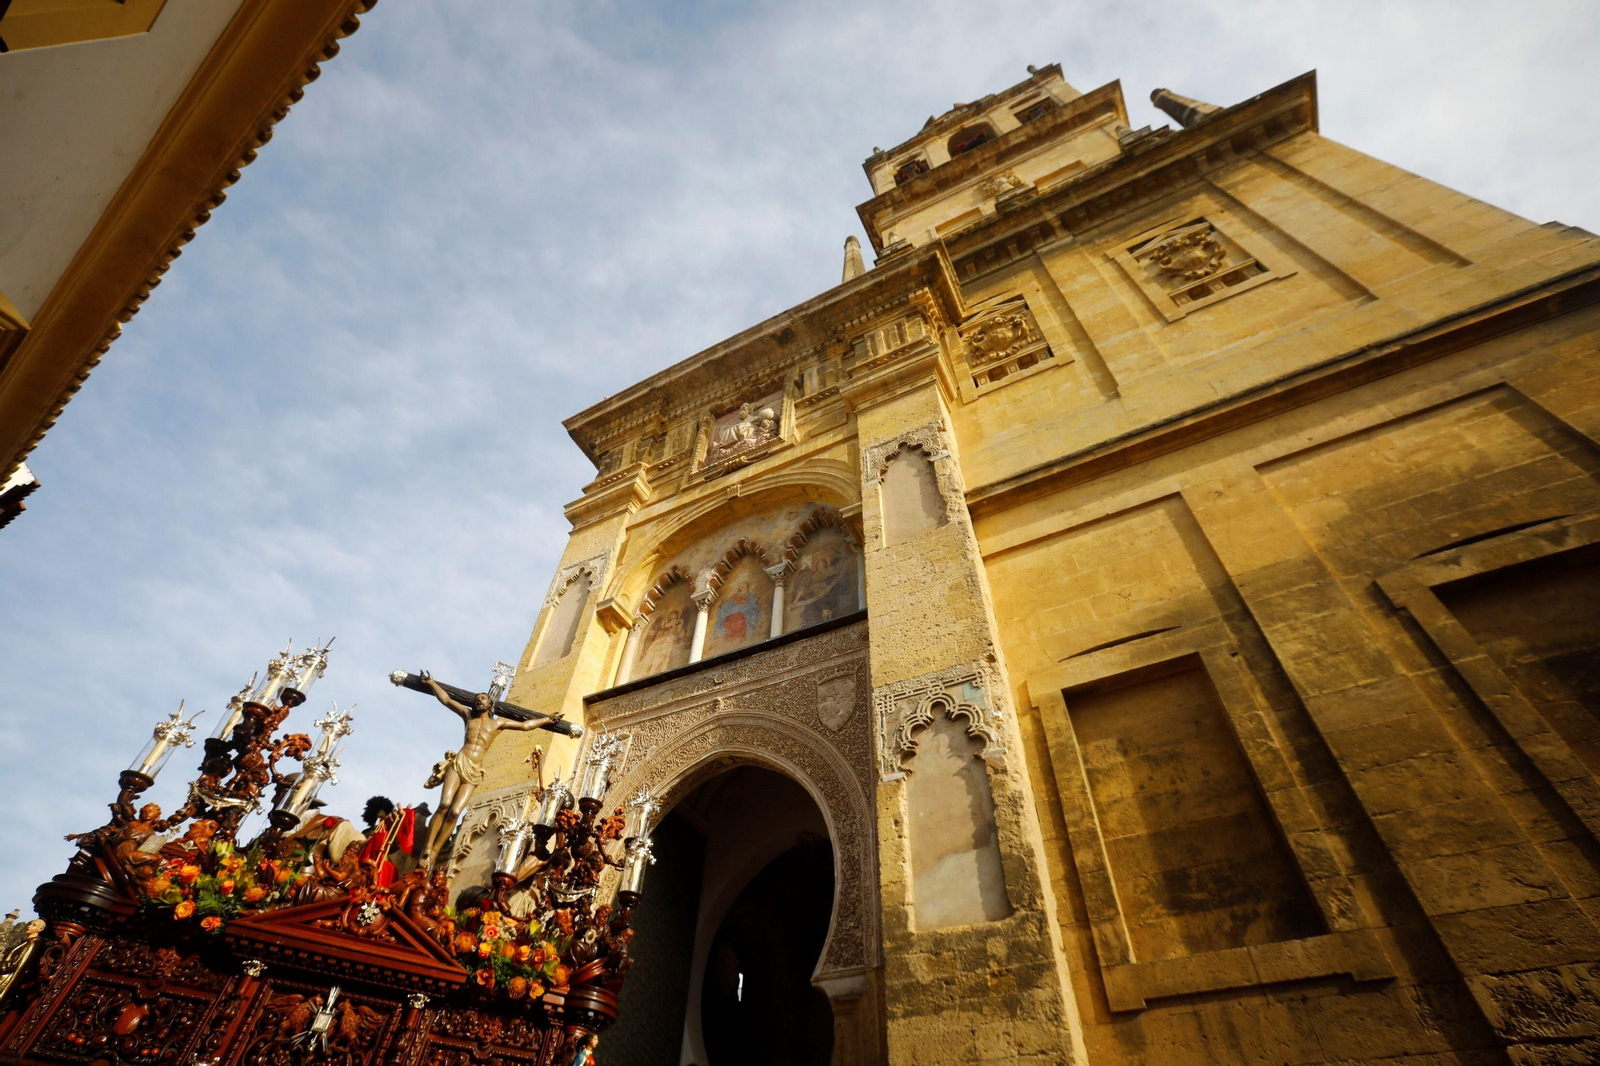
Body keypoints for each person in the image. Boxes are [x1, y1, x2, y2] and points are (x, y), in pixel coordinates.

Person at [419, 674, 553, 866]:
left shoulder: (497, 724)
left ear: (490, 704)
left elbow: (525, 725)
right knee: (444, 804)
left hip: (474, 771)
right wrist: (431, 683)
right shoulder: (468, 716)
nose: (479, 700)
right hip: (460, 762)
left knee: (456, 812)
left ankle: (435, 850)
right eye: (477, 699)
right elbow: (447, 700)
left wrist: (546, 720)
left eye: (483, 698)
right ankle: (427, 847)